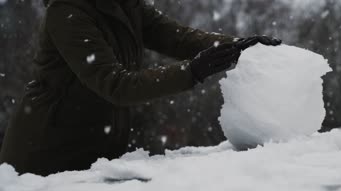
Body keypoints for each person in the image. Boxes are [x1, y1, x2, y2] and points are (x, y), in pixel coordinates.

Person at [0, 0, 281, 176]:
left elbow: (179, 38)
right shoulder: (67, 12)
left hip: (96, 153)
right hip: (44, 159)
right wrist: (193, 71)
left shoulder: (128, 6)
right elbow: (117, 85)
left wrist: (239, 46)